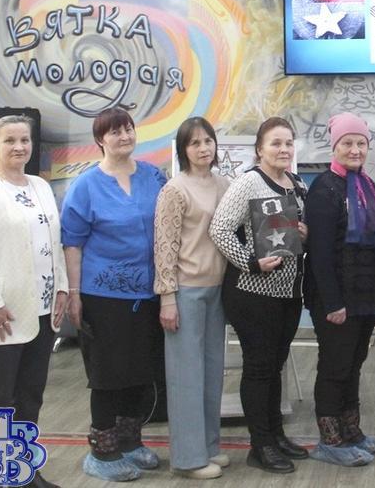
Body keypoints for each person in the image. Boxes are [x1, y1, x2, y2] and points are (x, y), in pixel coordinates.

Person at [0, 115, 68, 488]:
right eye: (10, 140)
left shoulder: (40, 186)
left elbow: (54, 242)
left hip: (42, 310)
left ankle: (21, 472)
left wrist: (62, 286)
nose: (19, 146)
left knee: (29, 397)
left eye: (25, 140)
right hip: (2, 312)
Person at [61, 107, 166, 482]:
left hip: (148, 294)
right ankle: (102, 453)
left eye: (128, 129)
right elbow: (72, 243)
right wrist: (74, 293)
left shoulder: (154, 176)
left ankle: (130, 442)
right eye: (115, 132)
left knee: (140, 372)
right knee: (108, 375)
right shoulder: (85, 185)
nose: (124, 136)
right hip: (102, 296)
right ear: (100, 140)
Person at [208, 116, 310, 474]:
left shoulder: (297, 184)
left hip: (288, 293)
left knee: (275, 365)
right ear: (260, 149)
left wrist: (305, 232)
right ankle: (260, 444)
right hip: (253, 293)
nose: (283, 149)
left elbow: (299, 234)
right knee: (259, 367)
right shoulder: (248, 183)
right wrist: (250, 263)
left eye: (288, 143)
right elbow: (220, 229)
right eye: (275, 143)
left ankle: (276, 435)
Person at [304, 112, 375, 467]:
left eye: (361, 143)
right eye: (347, 143)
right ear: (334, 146)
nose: (355, 150)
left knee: (354, 365)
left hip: (364, 296)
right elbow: (320, 253)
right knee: (335, 366)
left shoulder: (366, 185)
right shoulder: (324, 189)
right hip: (336, 298)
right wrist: (332, 302)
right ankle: (330, 440)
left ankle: (351, 431)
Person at [153, 117, 231, 479]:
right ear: (183, 150)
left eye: (208, 141)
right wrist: (167, 297)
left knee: (212, 372)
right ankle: (187, 459)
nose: (203, 148)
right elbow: (164, 247)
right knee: (186, 376)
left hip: (218, 289)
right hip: (185, 291)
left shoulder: (224, 184)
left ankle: (209, 446)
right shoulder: (174, 189)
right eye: (195, 143)